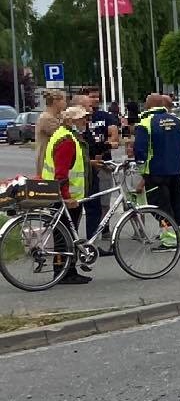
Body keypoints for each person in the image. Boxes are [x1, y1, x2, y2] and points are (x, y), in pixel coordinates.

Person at [40, 105, 92, 285]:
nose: (86, 121)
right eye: (82, 118)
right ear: (72, 121)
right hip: (64, 196)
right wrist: (67, 196)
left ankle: (65, 270)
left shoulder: (62, 135)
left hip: (56, 193)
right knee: (65, 235)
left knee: (65, 233)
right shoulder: (67, 140)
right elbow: (61, 173)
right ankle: (64, 272)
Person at [132, 93, 180, 247]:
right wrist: (176, 160)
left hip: (155, 172)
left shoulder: (145, 123)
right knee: (177, 202)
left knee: (161, 207)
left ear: (149, 105)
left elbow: (140, 150)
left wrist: (141, 168)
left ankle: (170, 240)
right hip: (175, 171)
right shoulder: (179, 122)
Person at [77, 86, 122, 248]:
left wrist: (104, 148)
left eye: (97, 97)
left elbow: (114, 138)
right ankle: (82, 238)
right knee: (85, 204)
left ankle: (103, 229)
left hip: (103, 163)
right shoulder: (79, 120)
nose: (95, 99)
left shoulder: (106, 116)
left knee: (103, 200)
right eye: (91, 96)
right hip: (84, 166)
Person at [31, 88, 65, 166]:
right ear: (56, 102)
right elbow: (62, 135)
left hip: (53, 158)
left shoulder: (57, 117)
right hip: (46, 159)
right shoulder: (46, 118)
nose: (65, 103)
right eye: (64, 100)